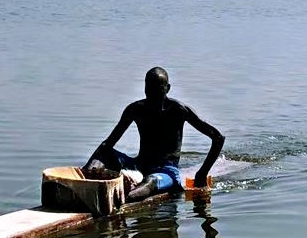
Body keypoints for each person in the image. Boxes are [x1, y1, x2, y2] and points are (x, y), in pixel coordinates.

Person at [85, 67, 225, 202]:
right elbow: (108, 144)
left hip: (167, 172)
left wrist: (202, 173)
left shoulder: (179, 110)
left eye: (158, 89)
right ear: (145, 88)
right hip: (140, 165)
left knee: (150, 181)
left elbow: (218, 138)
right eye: (149, 88)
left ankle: (117, 200)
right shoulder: (135, 109)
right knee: (105, 152)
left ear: (167, 88)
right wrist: (88, 169)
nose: (153, 94)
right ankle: (83, 182)